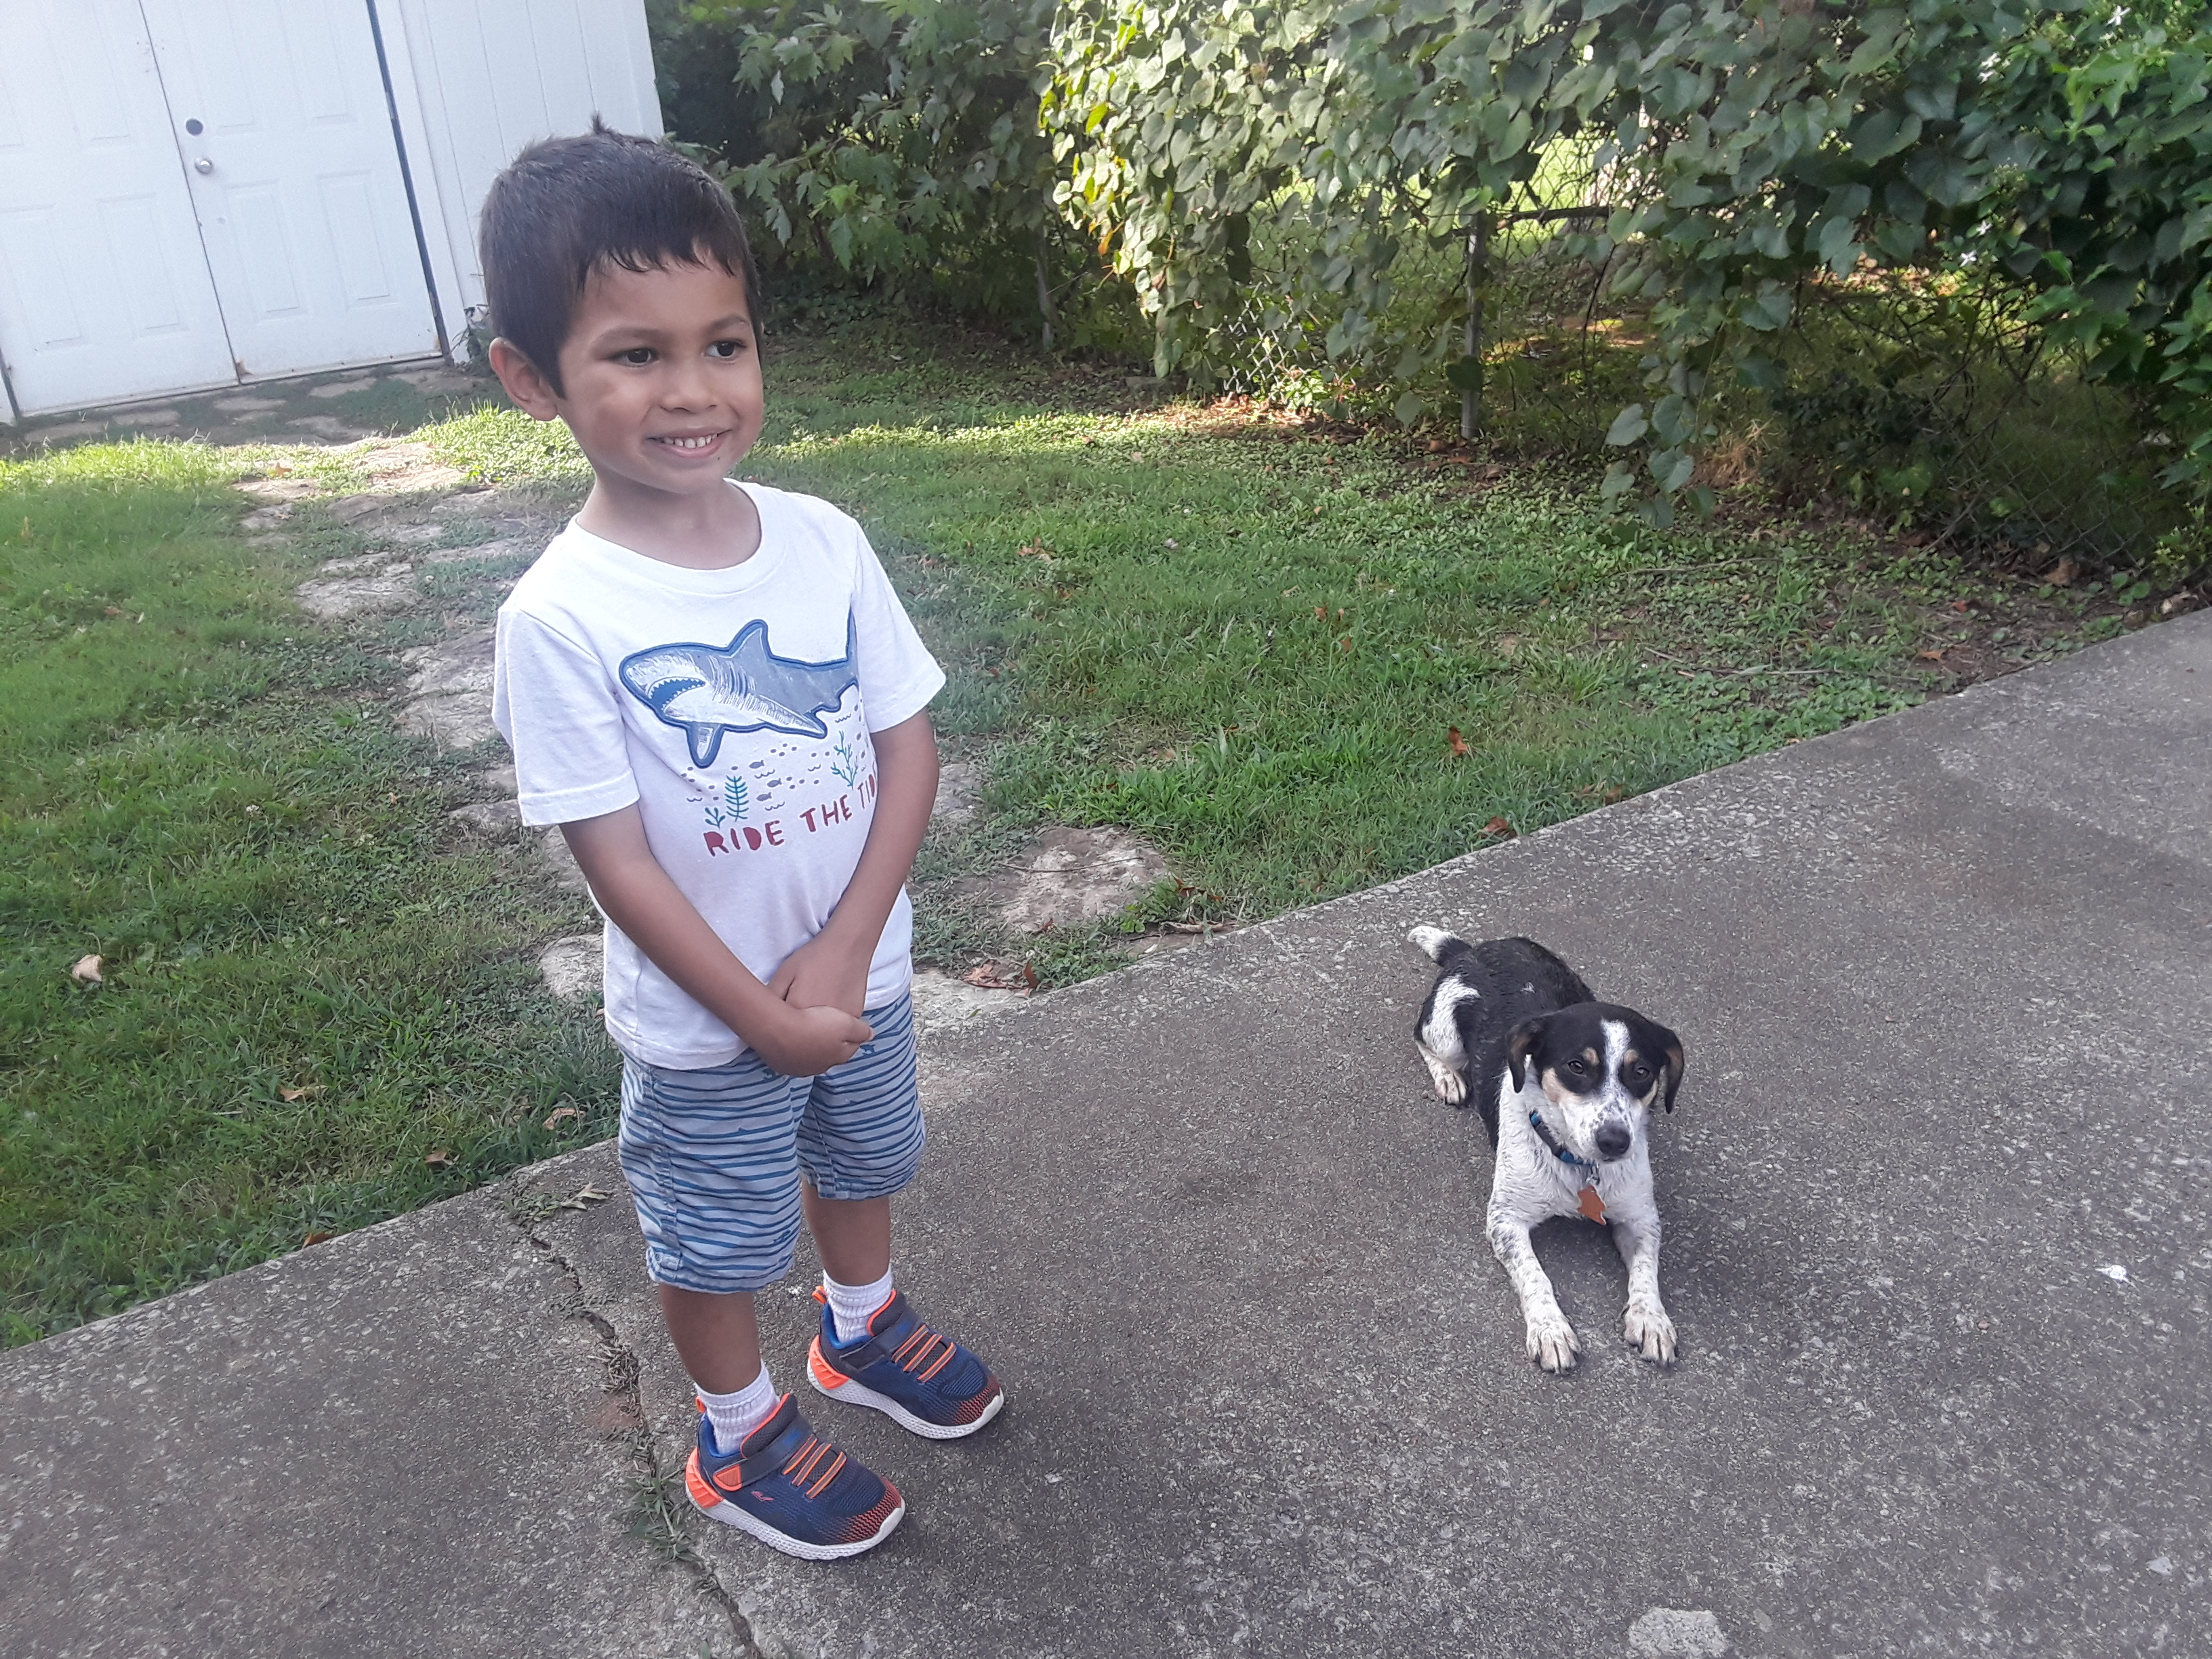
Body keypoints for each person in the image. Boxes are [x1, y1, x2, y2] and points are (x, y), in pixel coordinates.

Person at [481, 123, 1001, 1563]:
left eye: (724, 344)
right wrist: (760, 1015)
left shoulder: (825, 540)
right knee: (712, 1236)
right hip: (708, 1028)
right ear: (531, 379)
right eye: (634, 354)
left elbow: (906, 749)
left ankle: (858, 1329)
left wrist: (842, 951)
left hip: (861, 977)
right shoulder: (561, 617)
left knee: (865, 1158)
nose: (693, 389)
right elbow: (617, 860)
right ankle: (739, 1432)